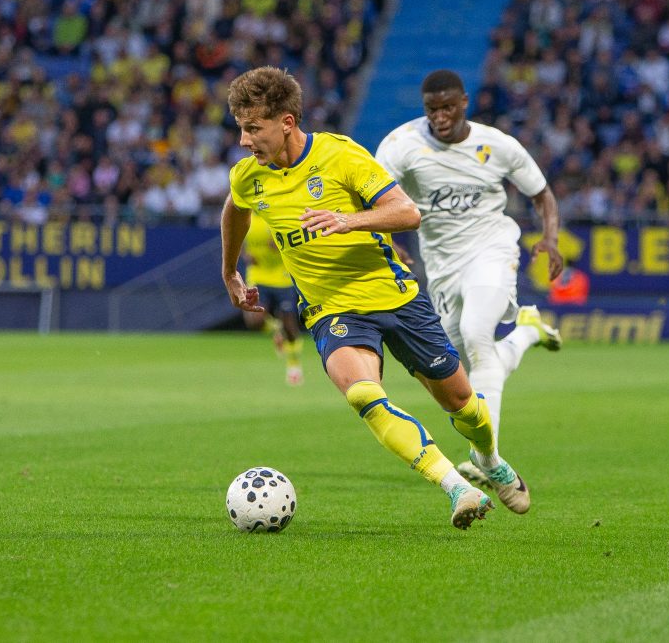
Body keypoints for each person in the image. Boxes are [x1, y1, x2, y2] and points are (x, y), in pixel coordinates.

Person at [220, 66, 529, 529]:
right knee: (363, 393)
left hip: (396, 296)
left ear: (286, 122)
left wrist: (348, 221)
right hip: (332, 308)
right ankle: (456, 488)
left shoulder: (339, 155)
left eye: (253, 129)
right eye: (241, 129)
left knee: (463, 405)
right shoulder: (250, 176)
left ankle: (488, 459)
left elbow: (407, 212)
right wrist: (229, 271)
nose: (244, 141)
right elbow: (236, 210)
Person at [375, 70, 563, 505]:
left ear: (464, 103)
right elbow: (370, 197)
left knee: (478, 336)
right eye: (431, 110)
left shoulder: (497, 145)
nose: (439, 117)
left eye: (447, 108)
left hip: (491, 248)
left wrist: (550, 239)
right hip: (441, 266)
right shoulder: (401, 146)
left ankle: (487, 458)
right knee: (469, 364)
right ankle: (529, 331)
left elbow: (542, 194)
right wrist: (388, 243)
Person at [241, 218, 305, 386]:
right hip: (258, 274)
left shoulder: (276, 215)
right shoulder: (246, 215)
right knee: (254, 319)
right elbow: (237, 236)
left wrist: (280, 241)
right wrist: (245, 253)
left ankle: (293, 365)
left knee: (290, 326)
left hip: (282, 276)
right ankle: (277, 330)